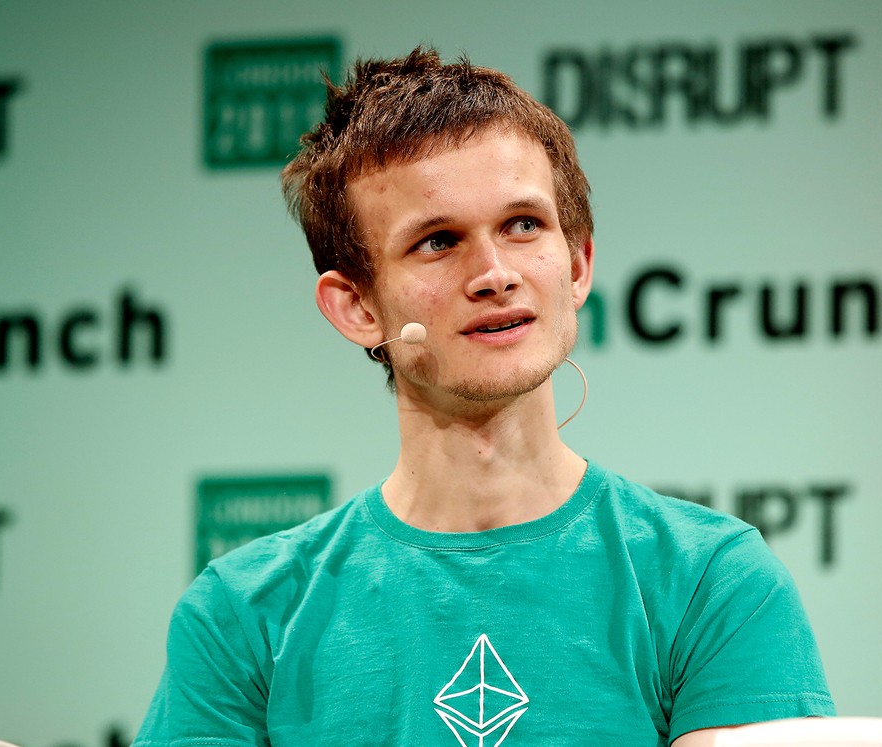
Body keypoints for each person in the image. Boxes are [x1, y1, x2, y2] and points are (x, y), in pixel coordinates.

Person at [134, 49, 834, 747]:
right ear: (356, 306)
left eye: (524, 225)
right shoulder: (242, 614)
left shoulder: (712, 581)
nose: (495, 274)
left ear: (578, 265)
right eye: (438, 241)